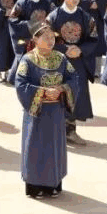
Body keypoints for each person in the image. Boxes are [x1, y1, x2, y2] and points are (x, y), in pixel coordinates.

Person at [15, 22, 76, 198]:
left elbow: (74, 78)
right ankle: (35, 186)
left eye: (52, 37)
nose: (50, 41)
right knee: (36, 147)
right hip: (37, 113)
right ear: (35, 39)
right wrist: (42, 92)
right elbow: (20, 85)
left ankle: (53, 184)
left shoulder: (61, 58)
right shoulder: (27, 60)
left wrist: (62, 89)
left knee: (54, 147)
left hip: (55, 112)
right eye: (45, 37)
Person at [46, 0, 98, 145]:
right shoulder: (53, 17)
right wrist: (65, 49)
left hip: (78, 62)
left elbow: (93, 39)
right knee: (57, 93)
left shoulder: (86, 17)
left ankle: (70, 130)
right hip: (57, 62)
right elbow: (46, 40)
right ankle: (55, 130)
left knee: (76, 94)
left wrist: (80, 49)